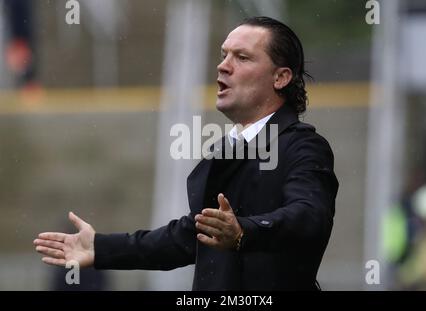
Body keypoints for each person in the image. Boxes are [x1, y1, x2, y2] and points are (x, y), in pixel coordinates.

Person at [34, 16, 339, 291]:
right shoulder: (225, 150)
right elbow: (184, 237)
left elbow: (309, 217)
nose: (223, 65)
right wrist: (101, 249)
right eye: (224, 55)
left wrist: (244, 231)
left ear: (281, 77)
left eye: (242, 57)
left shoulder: (303, 146)